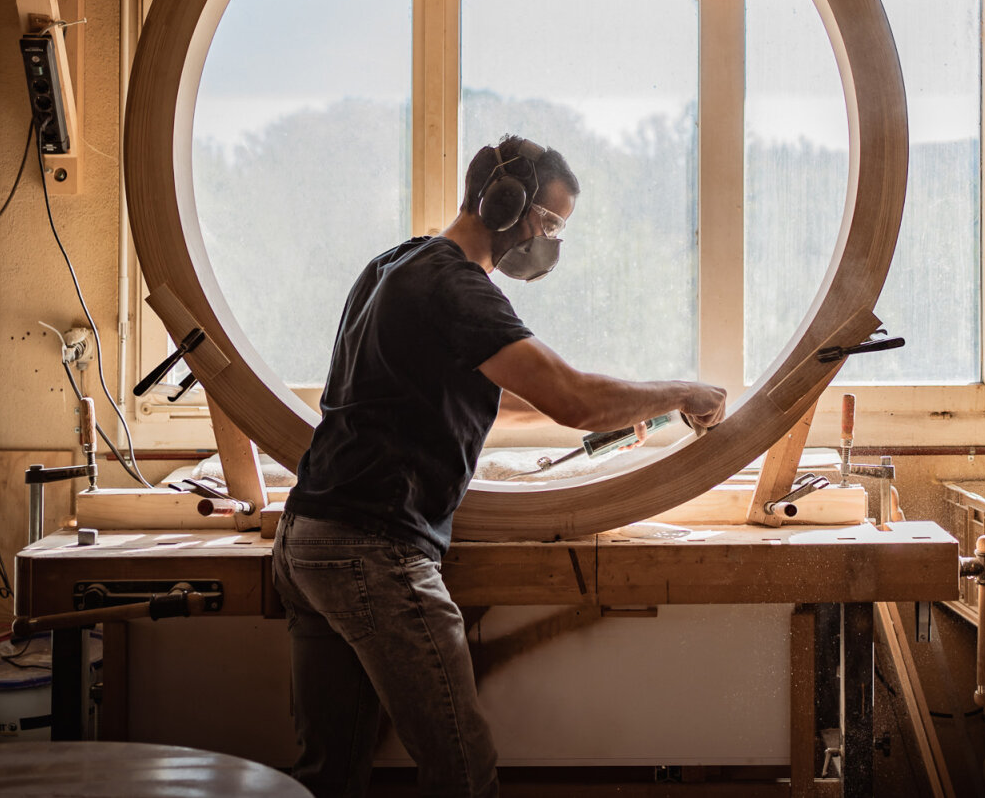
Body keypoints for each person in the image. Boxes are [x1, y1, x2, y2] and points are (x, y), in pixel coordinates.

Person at [271, 134, 728, 798]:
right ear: (506, 204)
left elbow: (484, 385)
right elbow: (570, 397)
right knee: (461, 766)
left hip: (309, 540)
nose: (549, 240)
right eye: (549, 221)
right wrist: (682, 392)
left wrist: (617, 409)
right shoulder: (459, 288)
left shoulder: (395, 265)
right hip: (374, 548)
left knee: (329, 775)